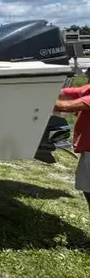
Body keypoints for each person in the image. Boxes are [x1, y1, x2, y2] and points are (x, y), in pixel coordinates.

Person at [54, 78, 90, 211]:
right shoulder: (88, 89)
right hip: (88, 152)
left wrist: (38, 99)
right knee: (87, 190)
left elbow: (65, 106)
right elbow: (66, 92)